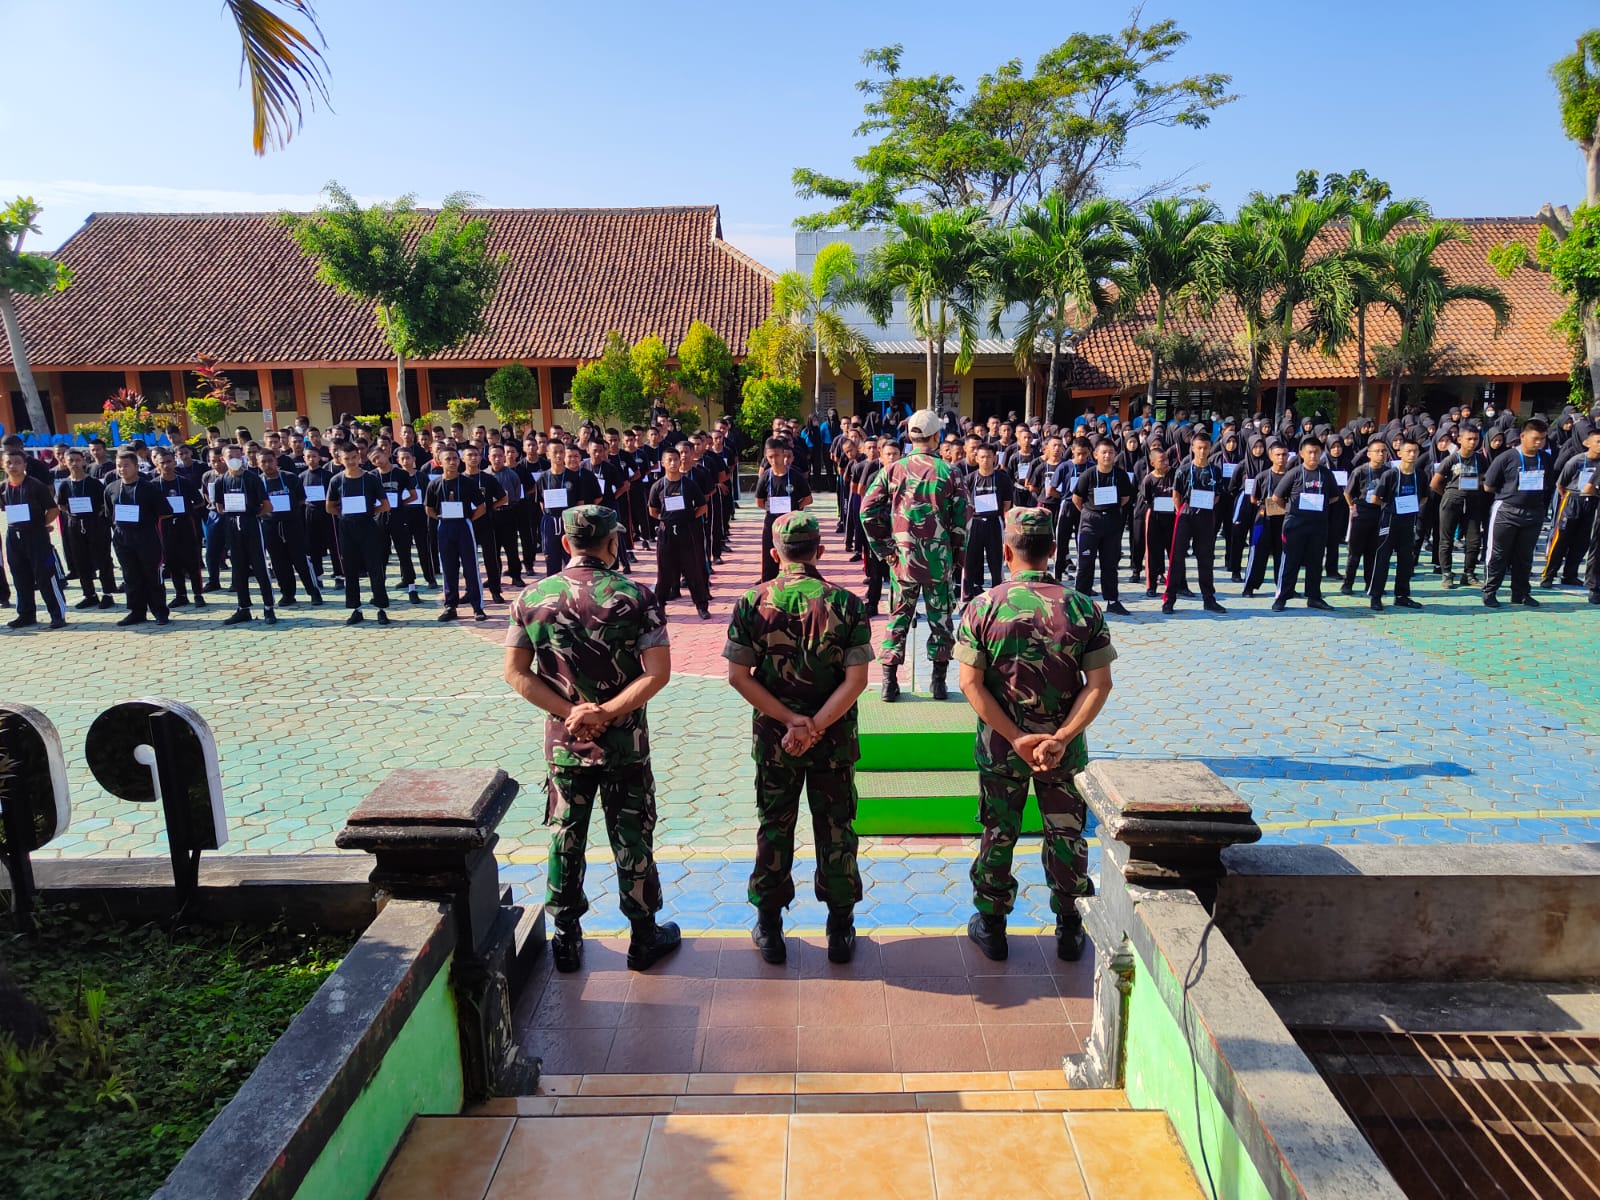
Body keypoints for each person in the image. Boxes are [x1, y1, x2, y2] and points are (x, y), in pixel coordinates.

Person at [502, 505, 681, 974]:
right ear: (613, 543)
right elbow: (657, 673)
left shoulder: (532, 598)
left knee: (565, 837)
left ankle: (566, 937)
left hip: (566, 745)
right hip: (625, 745)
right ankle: (644, 936)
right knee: (632, 838)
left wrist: (572, 714)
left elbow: (515, 673)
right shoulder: (636, 597)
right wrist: (605, 711)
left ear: (566, 544)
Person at [955, 507, 1115, 963]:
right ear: (1054, 551)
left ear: (1006, 553)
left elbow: (970, 683)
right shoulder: (1082, 607)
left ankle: (991, 925)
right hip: (1061, 752)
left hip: (1001, 750)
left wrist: (1014, 736)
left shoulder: (982, 606)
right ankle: (1069, 925)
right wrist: (1061, 736)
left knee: (998, 831)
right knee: (1065, 835)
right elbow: (1099, 684)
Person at [724, 511, 871, 965]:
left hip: (775, 742)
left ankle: (769, 928)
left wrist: (791, 721)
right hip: (833, 741)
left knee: (774, 827)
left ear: (775, 554)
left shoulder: (752, 602)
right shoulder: (846, 603)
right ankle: (840, 929)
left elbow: (737, 676)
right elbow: (857, 680)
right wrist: (817, 726)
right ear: (819, 552)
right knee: (837, 829)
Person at [861, 409, 967, 702]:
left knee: (898, 619)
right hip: (938, 561)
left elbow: (866, 511)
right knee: (941, 621)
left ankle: (889, 682)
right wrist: (956, 558)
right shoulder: (950, 472)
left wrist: (886, 550)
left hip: (903, 561)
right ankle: (939, 683)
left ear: (909, 436)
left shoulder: (892, 470)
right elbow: (962, 520)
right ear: (937, 437)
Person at [1482, 418, 1555, 608]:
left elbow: (1548, 485)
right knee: (1498, 554)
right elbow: (1488, 485)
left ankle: (1521, 593)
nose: (1539, 443)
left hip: (1534, 513)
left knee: (1525, 556)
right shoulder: (1507, 458)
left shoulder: (1545, 459)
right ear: (1523, 436)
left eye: (1542, 439)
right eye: (1535, 438)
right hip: (1507, 511)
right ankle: (1490, 592)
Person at [1270, 436, 1338, 612]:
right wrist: (1292, 509)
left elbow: (1334, 497)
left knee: (1315, 563)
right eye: (1310, 452)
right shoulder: (1294, 473)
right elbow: (1277, 498)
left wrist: (1317, 507)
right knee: (1290, 562)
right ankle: (1282, 597)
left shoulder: (1326, 474)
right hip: (1295, 526)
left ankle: (1314, 597)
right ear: (1302, 453)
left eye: (1317, 452)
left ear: (1322, 453)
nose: (1313, 455)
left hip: (1318, 527)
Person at [103, 450, 171, 626]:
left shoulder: (149, 488)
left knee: (152, 575)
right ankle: (136, 611)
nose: (122, 469)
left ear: (136, 466)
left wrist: (144, 520)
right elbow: (109, 513)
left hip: (146, 536)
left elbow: (165, 512)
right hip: (122, 536)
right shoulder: (111, 488)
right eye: (119, 466)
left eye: (126, 465)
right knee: (130, 575)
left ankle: (160, 611)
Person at [3, 448, 67, 630]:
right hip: (13, 536)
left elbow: (53, 509)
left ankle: (57, 614)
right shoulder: (3, 487)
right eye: (9, 463)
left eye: (17, 462)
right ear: (3, 465)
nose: (13, 466)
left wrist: (40, 525)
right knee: (19, 576)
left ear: (24, 465)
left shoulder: (35, 485)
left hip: (36, 537)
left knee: (45, 575)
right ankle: (26, 614)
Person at [1163, 429, 1227, 614]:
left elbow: (1218, 494)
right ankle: (1169, 599)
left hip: (1206, 516)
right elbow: (1176, 493)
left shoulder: (1215, 471)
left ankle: (1209, 598)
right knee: (1177, 557)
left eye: (1205, 448)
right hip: (1186, 515)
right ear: (1192, 448)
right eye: (1199, 447)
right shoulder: (1183, 470)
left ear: (1209, 449)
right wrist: (1180, 511)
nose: (1202, 451)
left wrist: (1208, 504)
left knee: (1206, 559)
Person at [328, 443, 392, 625]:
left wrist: (370, 511)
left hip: (368, 526)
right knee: (350, 569)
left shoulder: (370, 479)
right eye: (346, 458)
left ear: (359, 457)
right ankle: (356, 609)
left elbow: (385, 505)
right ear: (340, 459)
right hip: (346, 528)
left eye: (354, 457)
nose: (350, 462)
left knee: (375, 568)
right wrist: (344, 513)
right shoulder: (336, 480)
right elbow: (329, 506)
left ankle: (381, 608)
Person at [424, 446, 490, 622]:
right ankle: (450, 606)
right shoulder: (435, 484)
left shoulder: (467, 482)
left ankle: (478, 607)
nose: (452, 462)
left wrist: (467, 519)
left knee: (470, 567)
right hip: (445, 527)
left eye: (455, 458)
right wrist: (440, 518)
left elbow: (482, 507)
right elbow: (429, 508)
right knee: (448, 568)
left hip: (464, 527)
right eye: (448, 459)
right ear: (439, 461)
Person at [211, 445, 275, 625]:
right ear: (223, 459)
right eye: (231, 456)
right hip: (231, 526)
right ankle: (243, 608)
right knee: (238, 569)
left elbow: (267, 506)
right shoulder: (220, 481)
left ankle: (269, 607)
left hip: (252, 525)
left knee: (260, 567)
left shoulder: (252, 479)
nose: (235, 459)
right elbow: (220, 507)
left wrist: (252, 516)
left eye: (239, 456)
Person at [645, 446, 711, 618]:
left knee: (693, 569)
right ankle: (661, 604)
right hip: (666, 533)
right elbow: (652, 510)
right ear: (663, 463)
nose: (674, 463)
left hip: (687, 532)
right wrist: (666, 519)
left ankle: (701, 605)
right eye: (670, 460)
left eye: (676, 459)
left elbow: (702, 507)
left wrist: (689, 519)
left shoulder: (689, 485)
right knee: (665, 570)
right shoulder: (658, 486)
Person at [1070, 438, 1134, 614]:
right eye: (1103, 452)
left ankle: (1112, 601)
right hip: (1090, 523)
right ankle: (1081, 602)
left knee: (1110, 564)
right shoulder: (1088, 475)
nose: (1107, 456)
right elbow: (1077, 498)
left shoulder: (1120, 475)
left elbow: (1125, 498)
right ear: (1096, 455)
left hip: (1112, 523)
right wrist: (1090, 512)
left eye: (1111, 452)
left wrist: (1109, 511)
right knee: (1085, 564)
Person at [1367, 435, 1425, 611]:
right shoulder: (1390, 474)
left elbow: (1423, 498)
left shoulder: (1420, 475)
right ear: (1400, 453)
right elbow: (1376, 498)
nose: (1412, 454)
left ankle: (1402, 595)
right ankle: (1376, 596)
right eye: (1409, 451)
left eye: (1415, 451)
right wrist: (1391, 507)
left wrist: (1409, 507)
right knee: (1383, 558)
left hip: (1408, 521)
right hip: (1390, 520)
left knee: (1406, 559)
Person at [55, 449, 115, 610]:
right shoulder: (65, 484)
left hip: (95, 524)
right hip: (74, 524)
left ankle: (108, 593)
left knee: (103, 559)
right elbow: (61, 505)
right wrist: (73, 515)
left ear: (83, 461)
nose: (74, 464)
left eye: (77, 460)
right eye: (70, 460)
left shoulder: (94, 483)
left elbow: (105, 504)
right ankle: (89, 594)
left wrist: (98, 517)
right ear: (65, 463)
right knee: (80, 560)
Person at [1432, 425, 1488, 589]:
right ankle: (1447, 573)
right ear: (1460, 439)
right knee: (1446, 540)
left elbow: (1486, 477)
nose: (1472, 442)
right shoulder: (1451, 459)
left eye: (1476, 439)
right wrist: (1450, 494)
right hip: (1451, 502)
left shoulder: (1480, 460)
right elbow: (1434, 483)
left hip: (1473, 503)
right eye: (1469, 439)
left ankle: (1469, 574)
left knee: (1473, 541)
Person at [1543, 427, 1600, 588]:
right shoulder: (1576, 461)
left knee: (1582, 541)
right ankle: (1548, 574)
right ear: (1587, 443)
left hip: (1592, 501)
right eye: (1598, 442)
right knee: (1561, 539)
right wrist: (1567, 498)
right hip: (1572, 499)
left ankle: (1570, 574)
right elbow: (1561, 484)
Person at [754, 438, 813, 583]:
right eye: (770, 457)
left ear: (783, 454)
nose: (774, 460)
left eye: (777, 455)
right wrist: (772, 509)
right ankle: (768, 586)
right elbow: (759, 501)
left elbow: (808, 498)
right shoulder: (766, 477)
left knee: (794, 557)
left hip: (791, 524)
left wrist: (795, 509)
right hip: (772, 524)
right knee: (769, 559)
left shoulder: (794, 475)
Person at [962, 444, 1012, 602]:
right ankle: (968, 595)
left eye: (988, 457)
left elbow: (1006, 504)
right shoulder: (970, 479)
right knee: (969, 562)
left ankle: (998, 595)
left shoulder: (1002, 478)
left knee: (996, 561)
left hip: (994, 523)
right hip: (974, 523)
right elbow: (964, 503)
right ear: (976, 458)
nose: (985, 460)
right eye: (982, 457)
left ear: (994, 458)